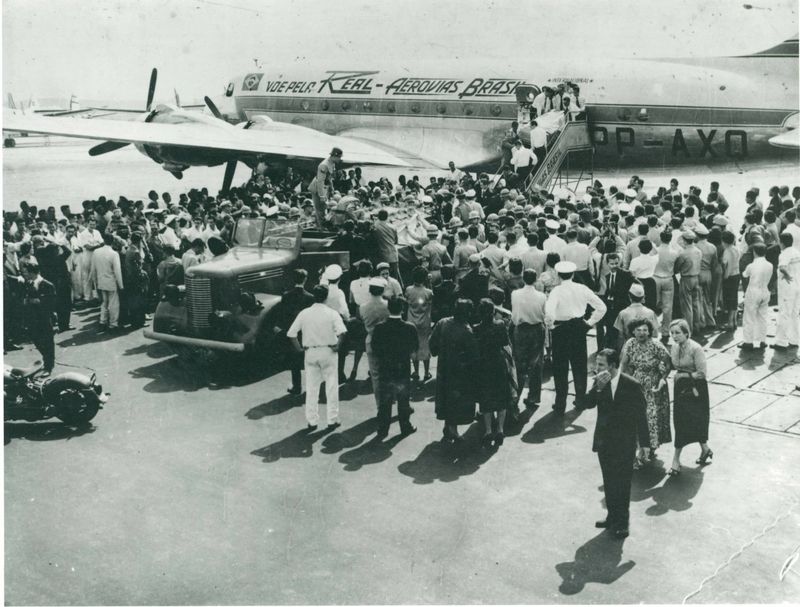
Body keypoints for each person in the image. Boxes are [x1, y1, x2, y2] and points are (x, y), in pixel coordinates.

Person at [584, 348, 649, 539]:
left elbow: (641, 414)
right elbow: (586, 404)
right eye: (597, 364)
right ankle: (612, 516)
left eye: (601, 364)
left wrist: (644, 444)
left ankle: (622, 523)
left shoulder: (631, 384)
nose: (597, 368)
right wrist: (597, 388)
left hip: (624, 441)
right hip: (604, 441)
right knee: (609, 481)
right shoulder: (599, 382)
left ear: (613, 366)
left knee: (622, 483)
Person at [545, 261, 607, 414]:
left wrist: (552, 326)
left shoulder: (556, 292)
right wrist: (589, 323)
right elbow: (601, 307)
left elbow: (549, 313)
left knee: (560, 367)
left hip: (561, 330)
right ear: (572, 274)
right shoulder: (582, 288)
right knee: (579, 365)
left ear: (558, 275)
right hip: (578, 328)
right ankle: (580, 399)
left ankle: (560, 403)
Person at [287, 284, 347, 430]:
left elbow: (291, 334)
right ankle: (332, 419)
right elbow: (342, 332)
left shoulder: (304, 313)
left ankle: (312, 420)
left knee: (312, 388)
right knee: (331, 387)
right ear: (326, 297)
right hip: (328, 351)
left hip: (311, 352)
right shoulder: (332, 313)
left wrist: (300, 349)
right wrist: (338, 346)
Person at [620, 319, 672, 466]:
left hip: (653, 385)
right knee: (635, 416)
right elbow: (623, 364)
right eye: (638, 330)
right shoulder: (630, 343)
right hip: (636, 383)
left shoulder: (656, 344)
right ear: (633, 332)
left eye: (644, 330)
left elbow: (668, 362)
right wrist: (622, 381)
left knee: (650, 417)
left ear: (649, 331)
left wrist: (663, 378)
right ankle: (642, 449)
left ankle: (647, 450)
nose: (642, 333)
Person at [429, 299, 479, 443]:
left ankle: (448, 426)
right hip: (460, 372)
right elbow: (473, 355)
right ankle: (453, 430)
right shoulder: (467, 330)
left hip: (443, 368)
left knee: (445, 397)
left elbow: (432, 344)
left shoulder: (442, 323)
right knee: (457, 400)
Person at [667, 319, 713, 475]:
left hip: (696, 390)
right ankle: (704, 449)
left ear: (687, 333)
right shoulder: (673, 347)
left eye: (678, 333)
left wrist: (684, 375)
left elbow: (701, 374)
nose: (674, 336)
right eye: (672, 333)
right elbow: (672, 365)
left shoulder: (696, 348)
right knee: (680, 422)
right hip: (680, 388)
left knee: (696, 420)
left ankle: (675, 461)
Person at [370, 296, 418, 439]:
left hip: (385, 368)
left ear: (388, 308)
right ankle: (405, 426)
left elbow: (375, 349)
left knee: (385, 400)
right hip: (402, 368)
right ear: (403, 309)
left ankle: (383, 429)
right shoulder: (410, 327)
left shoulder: (379, 327)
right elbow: (414, 351)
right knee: (403, 400)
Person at [475, 299, 518, 449]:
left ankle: (488, 430)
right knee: (502, 396)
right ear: (493, 311)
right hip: (498, 363)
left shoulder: (477, 328)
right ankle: (500, 429)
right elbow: (505, 342)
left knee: (485, 399)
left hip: (483, 364)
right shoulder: (500, 325)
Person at [511, 268, 547, 410]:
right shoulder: (542, 296)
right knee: (536, 364)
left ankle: (515, 397)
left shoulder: (515, 294)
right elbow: (544, 314)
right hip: (537, 329)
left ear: (523, 279)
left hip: (520, 329)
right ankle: (533, 397)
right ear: (536, 279)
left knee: (519, 364)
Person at [275, 269, 314, 395]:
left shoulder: (286, 296)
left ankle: (296, 387)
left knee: (294, 362)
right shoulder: (310, 297)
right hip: (306, 332)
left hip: (292, 332)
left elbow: (282, 315)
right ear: (305, 279)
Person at [19, 260, 57, 376]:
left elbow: (52, 303)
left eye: (25, 272)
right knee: (36, 339)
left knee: (48, 341)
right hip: (32, 319)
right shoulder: (27, 284)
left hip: (44, 318)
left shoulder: (47, 285)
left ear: (32, 272)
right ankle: (48, 358)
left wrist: (38, 301)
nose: (23, 274)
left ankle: (48, 366)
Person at [360, 277, 390, 402]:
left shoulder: (363, 307)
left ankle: (380, 405)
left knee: (375, 375)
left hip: (371, 339)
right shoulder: (388, 305)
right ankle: (389, 400)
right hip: (387, 341)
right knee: (388, 373)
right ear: (382, 290)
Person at [739, 243, 772, 350]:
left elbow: (744, 274)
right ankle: (762, 340)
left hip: (753, 291)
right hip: (765, 290)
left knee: (749, 317)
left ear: (754, 252)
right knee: (762, 317)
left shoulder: (751, 265)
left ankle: (748, 342)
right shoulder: (770, 265)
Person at [404, 266, 434, 382]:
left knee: (414, 346)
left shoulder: (408, 290)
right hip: (425, 321)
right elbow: (432, 304)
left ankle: (416, 371)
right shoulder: (428, 292)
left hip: (411, 320)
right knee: (425, 346)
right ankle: (426, 372)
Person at [91, 232, 124, 332]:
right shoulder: (114, 254)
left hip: (101, 281)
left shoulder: (96, 252)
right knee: (114, 304)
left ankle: (103, 321)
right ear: (113, 241)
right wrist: (121, 285)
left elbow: (93, 269)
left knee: (104, 303)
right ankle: (113, 324)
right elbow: (117, 271)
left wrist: (94, 282)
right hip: (111, 282)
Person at [773, 233, 800, 350]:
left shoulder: (784, 254)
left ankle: (781, 341)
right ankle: (794, 339)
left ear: (782, 242)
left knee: (784, 313)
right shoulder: (796, 251)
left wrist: (787, 275)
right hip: (797, 285)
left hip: (787, 287)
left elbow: (782, 267)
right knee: (794, 313)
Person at [613, 283, 659, 349]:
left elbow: (620, 337)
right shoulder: (651, 312)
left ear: (629, 297)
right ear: (643, 297)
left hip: (629, 348)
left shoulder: (623, 313)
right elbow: (655, 334)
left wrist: (620, 352)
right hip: (647, 347)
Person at [675, 229, 703, 334]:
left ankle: (688, 329)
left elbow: (677, 267)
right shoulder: (698, 251)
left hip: (686, 278)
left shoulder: (683, 253)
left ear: (685, 240)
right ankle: (697, 326)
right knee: (696, 303)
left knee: (687, 305)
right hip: (696, 277)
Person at [309, 147, 342, 228]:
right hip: (317, 189)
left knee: (323, 208)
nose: (340, 159)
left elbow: (329, 177)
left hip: (325, 187)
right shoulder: (324, 165)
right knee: (320, 210)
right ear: (335, 156)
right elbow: (320, 181)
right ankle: (321, 229)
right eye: (339, 157)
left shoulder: (332, 163)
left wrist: (332, 188)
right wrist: (322, 196)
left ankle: (322, 227)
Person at [719, 230, 741, 331]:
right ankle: (734, 321)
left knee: (729, 301)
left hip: (730, 277)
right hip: (737, 275)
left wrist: (725, 277)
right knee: (734, 298)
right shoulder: (736, 249)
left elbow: (728, 266)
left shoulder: (727, 251)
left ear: (724, 241)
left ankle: (729, 323)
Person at [373, 210, 400, 279]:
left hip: (382, 256)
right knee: (395, 278)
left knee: (383, 278)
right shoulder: (393, 227)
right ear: (387, 217)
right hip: (393, 254)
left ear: (378, 217)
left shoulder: (375, 226)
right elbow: (396, 241)